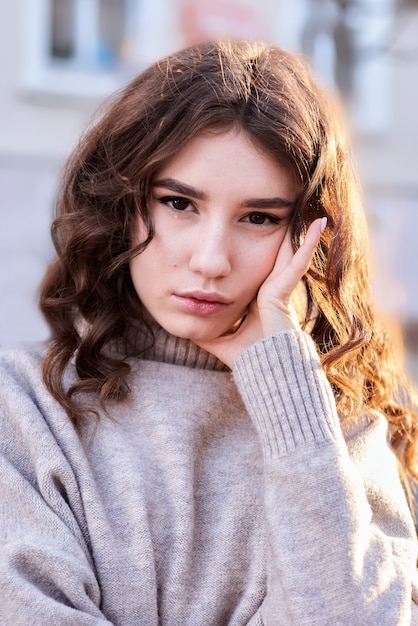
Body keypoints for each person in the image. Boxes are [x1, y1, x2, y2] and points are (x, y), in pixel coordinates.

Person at [0, 39, 417, 625]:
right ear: (120, 203)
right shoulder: (23, 405)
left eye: (259, 217)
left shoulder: (338, 436)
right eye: (178, 203)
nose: (211, 260)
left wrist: (285, 396)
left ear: (309, 237)